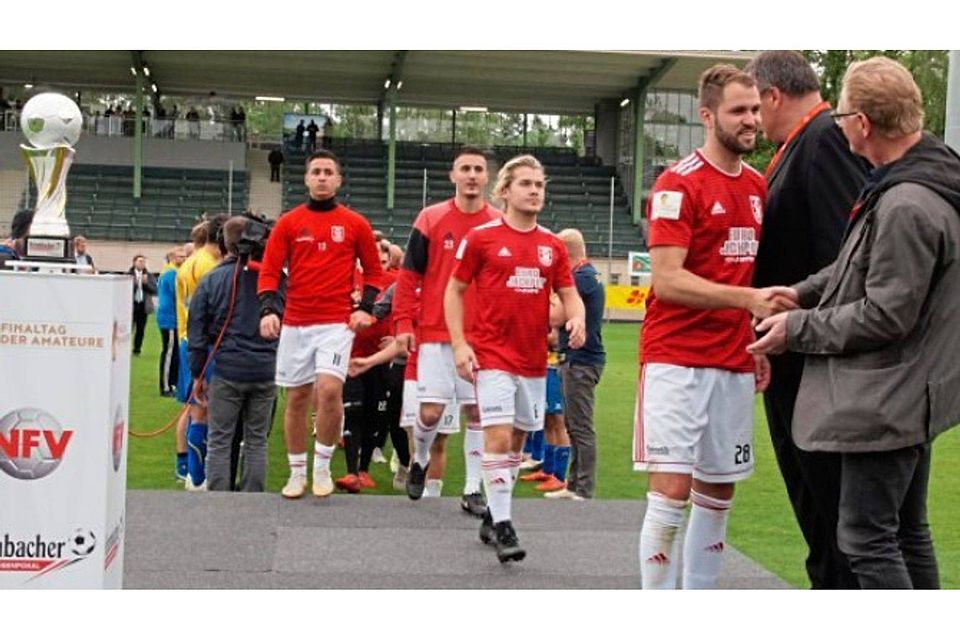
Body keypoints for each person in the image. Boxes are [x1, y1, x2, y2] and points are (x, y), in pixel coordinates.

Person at [749, 56, 960, 589]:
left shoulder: (908, 201)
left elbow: (885, 313)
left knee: (866, 538)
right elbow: (853, 268)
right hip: (906, 391)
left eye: (842, 115)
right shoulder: (915, 182)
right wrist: (799, 292)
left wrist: (796, 327)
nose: (835, 124)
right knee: (905, 533)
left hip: (885, 396)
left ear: (862, 124)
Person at [633, 64, 794, 589]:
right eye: (738, 111)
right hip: (675, 360)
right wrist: (748, 298)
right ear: (707, 115)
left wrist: (757, 339)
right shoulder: (677, 183)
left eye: (754, 110)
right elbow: (669, 280)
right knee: (672, 491)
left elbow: (746, 273)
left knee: (720, 490)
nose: (751, 121)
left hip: (733, 359)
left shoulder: (755, 185)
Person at [745, 49, 868, 589]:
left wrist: (809, 335)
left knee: (834, 515)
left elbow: (846, 258)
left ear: (773, 95)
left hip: (815, 362)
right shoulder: (803, 144)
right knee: (819, 514)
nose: (752, 120)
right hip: (796, 354)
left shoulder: (823, 140)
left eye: (754, 106)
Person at [445, 154, 586, 563]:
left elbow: (568, 293)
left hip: (533, 361)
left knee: (520, 438)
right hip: (491, 356)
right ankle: (505, 527)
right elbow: (453, 291)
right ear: (504, 191)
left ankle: (494, 511)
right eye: (526, 184)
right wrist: (459, 343)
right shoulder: (483, 239)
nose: (534, 191)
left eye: (540, 185)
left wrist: (576, 317)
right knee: (499, 437)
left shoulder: (552, 246)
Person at [257, 149, 385, 499]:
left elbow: (374, 272)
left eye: (329, 171)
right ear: (307, 178)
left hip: (335, 324)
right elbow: (269, 271)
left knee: (329, 391)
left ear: (339, 179)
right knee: (297, 397)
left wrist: (366, 308)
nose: (323, 177)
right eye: (316, 171)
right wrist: (269, 309)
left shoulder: (355, 223)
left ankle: (323, 467)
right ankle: (297, 472)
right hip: (296, 324)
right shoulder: (288, 222)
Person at [393, 147, 502, 516]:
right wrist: (404, 323)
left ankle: (472, 489)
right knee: (428, 414)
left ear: (487, 178)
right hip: (435, 335)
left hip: (482, 337)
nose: (472, 175)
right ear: (452, 176)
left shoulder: (498, 223)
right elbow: (408, 277)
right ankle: (420, 459)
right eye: (465, 169)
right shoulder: (431, 218)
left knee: (478, 412)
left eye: (478, 169)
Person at [188, 216, 283, 492]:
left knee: (220, 439)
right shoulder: (275, 280)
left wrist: (197, 374)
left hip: (228, 371)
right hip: (265, 370)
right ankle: (252, 496)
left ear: (223, 242)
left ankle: (219, 500)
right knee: (256, 439)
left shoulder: (212, 280)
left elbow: (197, 333)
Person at [553, 228, 605, 500]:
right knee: (573, 424)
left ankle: (583, 488)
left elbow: (556, 317)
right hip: (582, 359)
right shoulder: (590, 274)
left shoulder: (580, 278)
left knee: (580, 426)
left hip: (580, 360)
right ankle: (573, 485)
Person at [175, 218, 224, 488]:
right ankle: (198, 475)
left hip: (189, 340)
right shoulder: (207, 265)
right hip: (202, 344)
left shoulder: (190, 262)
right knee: (202, 410)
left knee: (195, 408)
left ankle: (191, 471)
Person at [157, 246, 186, 397]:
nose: (184, 259)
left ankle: (172, 383)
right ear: (173, 258)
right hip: (169, 318)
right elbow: (179, 295)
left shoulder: (170, 272)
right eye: (181, 256)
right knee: (169, 352)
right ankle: (165, 386)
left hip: (173, 317)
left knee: (174, 352)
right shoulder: (171, 274)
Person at [128, 255, 157, 356]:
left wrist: (145, 284)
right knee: (129, 328)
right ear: (134, 262)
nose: (142, 263)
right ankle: (126, 347)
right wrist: (135, 284)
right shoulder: (128, 275)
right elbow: (124, 290)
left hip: (143, 305)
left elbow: (155, 290)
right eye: (140, 261)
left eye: (143, 262)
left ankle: (137, 349)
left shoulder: (149, 276)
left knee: (141, 329)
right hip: (131, 305)